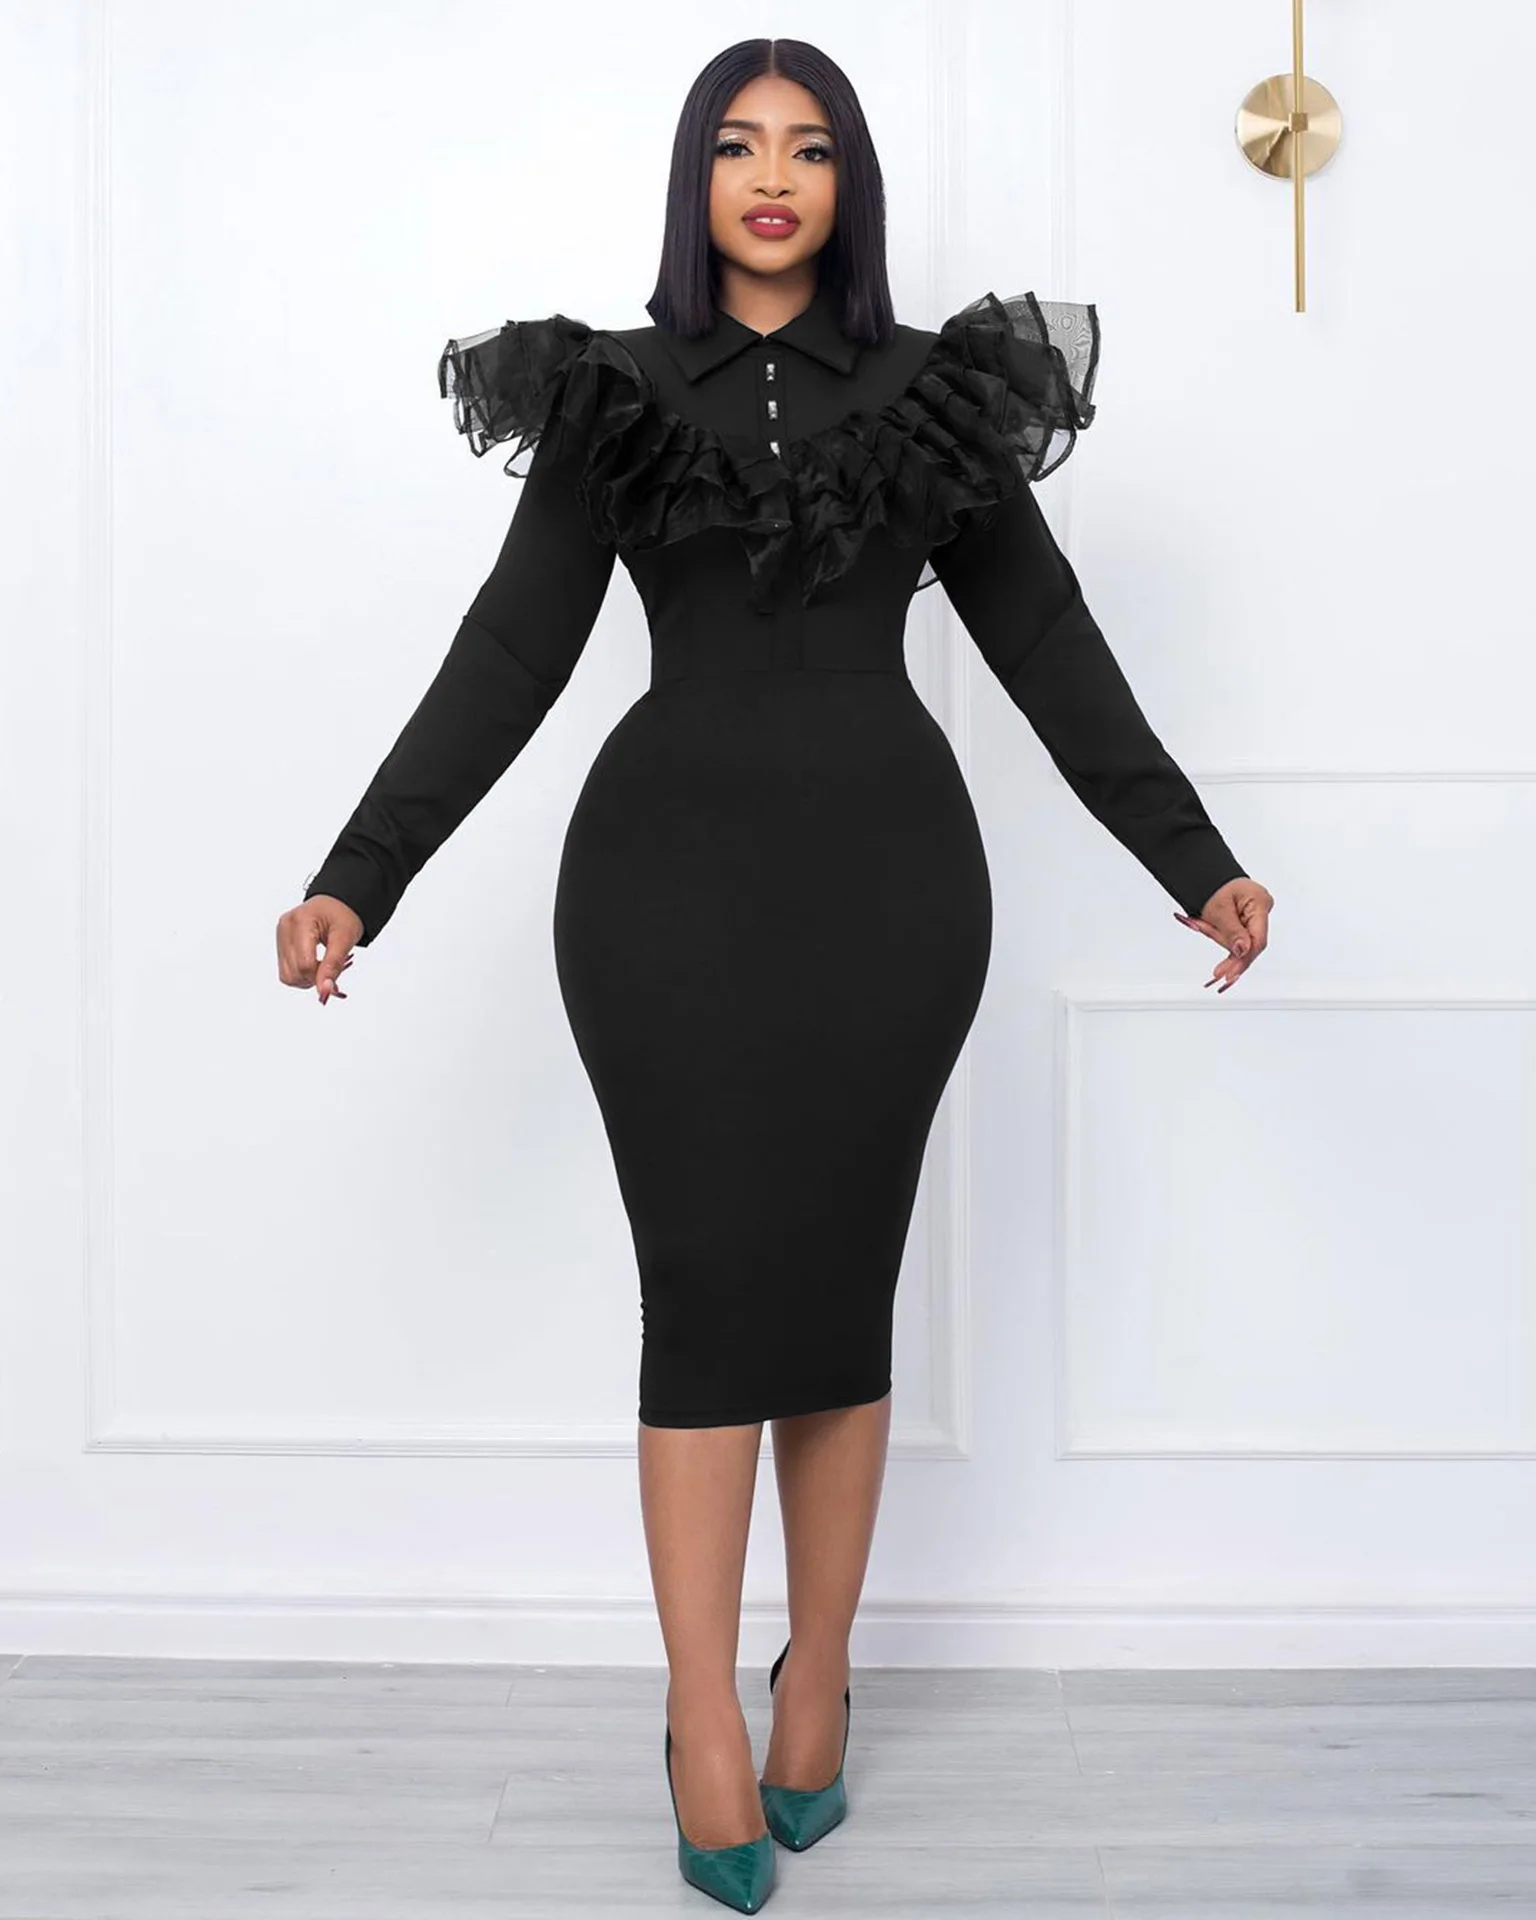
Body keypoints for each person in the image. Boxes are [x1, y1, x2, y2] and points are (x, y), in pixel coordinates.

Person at [275, 35, 1273, 1915]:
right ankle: (700, 1712)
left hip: (892, 900)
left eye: (809, 149)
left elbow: (1052, 643)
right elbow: (509, 654)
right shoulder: (610, 392)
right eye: (738, 145)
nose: (771, 177)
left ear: (846, 186)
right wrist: (359, 876)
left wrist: (1193, 858)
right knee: (704, 1306)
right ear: (696, 177)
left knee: (835, 1298)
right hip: (658, 902)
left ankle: (819, 1674)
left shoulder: (935, 392)